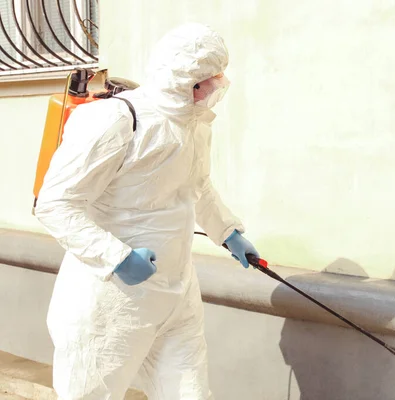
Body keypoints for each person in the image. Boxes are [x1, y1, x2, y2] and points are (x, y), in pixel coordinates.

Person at [35, 23, 258, 400]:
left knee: (191, 394)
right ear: (181, 78)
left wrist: (228, 233)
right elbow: (56, 202)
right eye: (205, 80)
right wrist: (117, 257)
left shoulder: (195, 127)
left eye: (216, 79)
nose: (213, 90)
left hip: (176, 292)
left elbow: (198, 188)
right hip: (110, 299)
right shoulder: (116, 120)